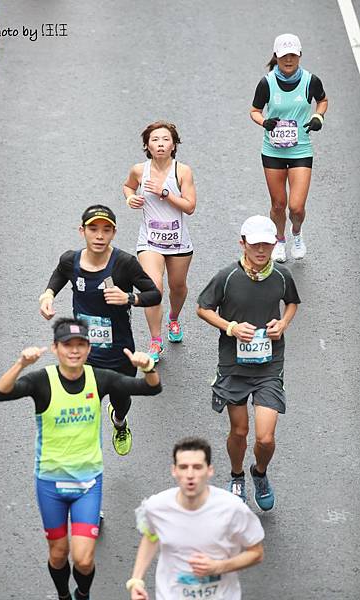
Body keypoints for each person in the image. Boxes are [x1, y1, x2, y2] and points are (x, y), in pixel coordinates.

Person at [0, 317, 162, 600]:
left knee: (83, 559)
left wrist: (147, 367)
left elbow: (151, 388)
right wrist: (21, 364)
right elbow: (1, 392)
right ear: (55, 348)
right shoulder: (41, 381)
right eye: (67, 345)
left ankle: (82, 594)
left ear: (88, 348)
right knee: (59, 554)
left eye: (80, 345)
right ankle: (63, 596)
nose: (74, 351)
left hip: (88, 482)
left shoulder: (100, 378)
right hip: (50, 483)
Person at [38, 205, 161, 456]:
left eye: (106, 230)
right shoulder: (70, 261)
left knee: (121, 401)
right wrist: (48, 294)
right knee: (83, 406)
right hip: (82, 353)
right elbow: (59, 275)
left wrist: (129, 298)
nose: (99, 236)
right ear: (82, 231)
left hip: (119, 353)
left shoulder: (125, 264)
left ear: (114, 233)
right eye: (93, 229)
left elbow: (154, 294)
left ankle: (119, 422)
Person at [196, 216, 300, 510]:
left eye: (267, 244)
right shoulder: (227, 276)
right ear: (243, 243)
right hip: (234, 365)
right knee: (240, 431)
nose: (261, 250)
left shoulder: (281, 276)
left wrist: (283, 323)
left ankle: (260, 473)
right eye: (255, 244)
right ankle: (237, 474)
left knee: (265, 438)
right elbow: (203, 309)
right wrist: (230, 327)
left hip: (269, 365)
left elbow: (292, 302)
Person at [126, 437, 264, 600]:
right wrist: (136, 581)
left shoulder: (232, 509)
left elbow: (256, 553)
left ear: (209, 470)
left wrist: (218, 567)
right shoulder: (156, 507)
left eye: (197, 467)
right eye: (183, 467)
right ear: (174, 470)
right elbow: (150, 536)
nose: (190, 475)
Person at [250, 33, 328, 262]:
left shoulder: (310, 81)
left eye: (293, 55)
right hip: (273, 150)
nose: (289, 60)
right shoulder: (267, 83)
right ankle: (280, 240)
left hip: (300, 151)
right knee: (278, 204)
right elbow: (254, 110)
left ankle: (296, 233)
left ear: (300, 55)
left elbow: (322, 100)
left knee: (296, 207)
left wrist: (318, 117)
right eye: (284, 55)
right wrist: (264, 122)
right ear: (276, 56)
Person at [123, 121, 197, 362]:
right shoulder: (138, 170)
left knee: (178, 287)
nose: (161, 144)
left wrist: (165, 193)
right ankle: (155, 341)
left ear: (174, 145)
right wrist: (131, 198)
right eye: (155, 140)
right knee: (153, 288)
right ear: (147, 145)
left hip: (178, 243)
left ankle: (173, 318)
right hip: (150, 242)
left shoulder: (182, 171)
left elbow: (190, 207)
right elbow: (127, 187)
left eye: (166, 139)